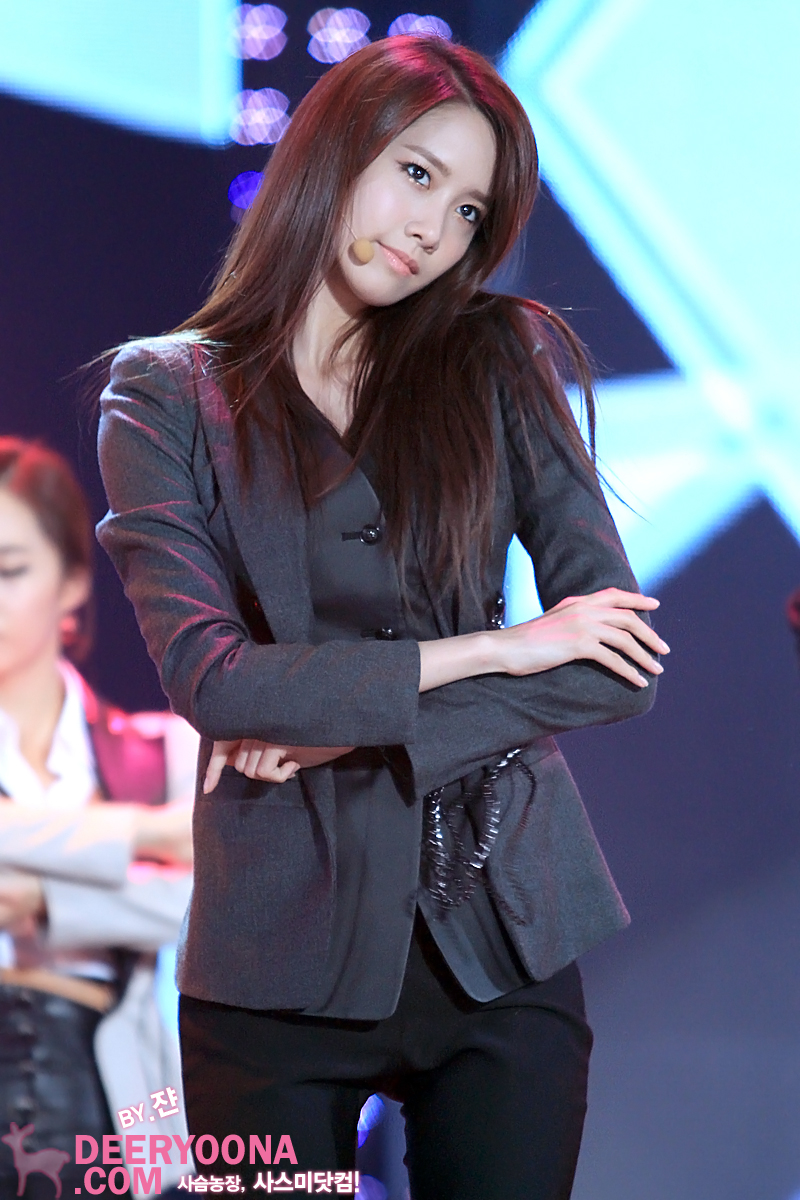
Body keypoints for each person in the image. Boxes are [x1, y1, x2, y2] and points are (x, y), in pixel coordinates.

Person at [96, 35, 668, 1200]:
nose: (431, 232)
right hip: (271, 962)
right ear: (333, 150)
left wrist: (336, 736)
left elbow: (615, 658)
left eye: (467, 212)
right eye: (415, 174)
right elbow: (216, 683)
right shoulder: (165, 395)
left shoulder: (493, 360)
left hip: (502, 934)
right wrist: (494, 648)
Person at [0, 437, 198, 1197]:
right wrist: (144, 834)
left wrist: (44, 901)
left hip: (110, 1084)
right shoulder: (157, 804)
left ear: (74, 581)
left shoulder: (166, 751)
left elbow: (204, 901)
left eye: (10, 570)